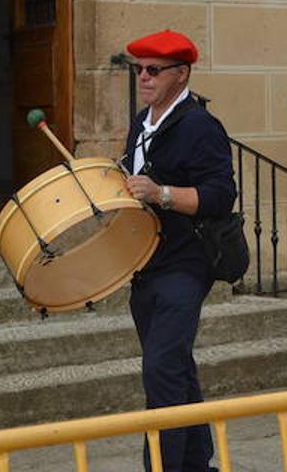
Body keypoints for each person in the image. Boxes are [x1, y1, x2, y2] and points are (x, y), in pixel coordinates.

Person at [121, 29, 237, 472]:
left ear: (181, 73)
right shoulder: (141, 122)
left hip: (187, 261)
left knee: (162, 370)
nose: (143, 78)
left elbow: (221, 196)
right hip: (145, 261)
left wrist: (161, 194)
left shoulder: (199, 126)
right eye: (139, 70)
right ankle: (197, 461)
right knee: (175, 366)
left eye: (154, 70)